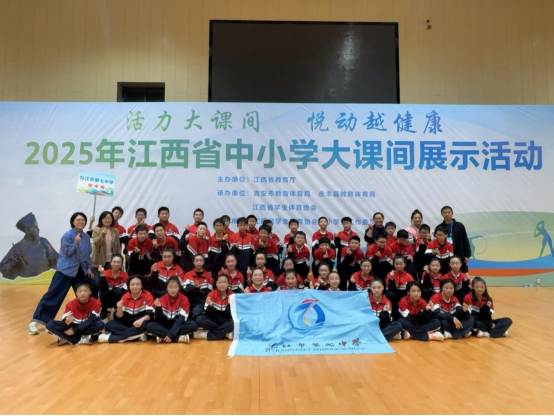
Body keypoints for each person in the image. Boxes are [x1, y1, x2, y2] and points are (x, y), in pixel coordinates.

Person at [28, 213, 97, 336]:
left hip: (81, 270)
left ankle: (89, 319)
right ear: (73, 222)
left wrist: (88, 268)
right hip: (66, 270)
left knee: (90, 290)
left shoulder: (86, 237)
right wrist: (76, 243)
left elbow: (87, 254)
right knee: (54, 294)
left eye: (83, 220)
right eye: (78, 220)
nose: (81, 222)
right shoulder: (67, 235)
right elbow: (68, 252)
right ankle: (36, 321)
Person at [0, 212, 59, 280]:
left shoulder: (43, 241)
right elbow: (2, 267)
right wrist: (12, 263)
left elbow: (56, 259)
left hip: (47, 277)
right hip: (25, 281)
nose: (38, 229)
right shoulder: (18, 247)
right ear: (27, 230)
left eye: (37, 227)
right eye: (35, 227)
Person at [99, 275, 155, 344]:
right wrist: (119, 309)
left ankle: (110, 338)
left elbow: (150, 315)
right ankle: (135, 335)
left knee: (146, 326)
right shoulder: (125, 296)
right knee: (109, 324)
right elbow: (119, 318)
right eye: (132, 285)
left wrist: (140, 320)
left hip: (141, 322)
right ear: (129, 286)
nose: (135, 287)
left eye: (138, 284)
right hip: (128, 323)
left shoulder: (147, 295)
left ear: (142, 285)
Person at [145, 277, 199, 344]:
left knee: (193, 325)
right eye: (170, 287)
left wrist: (171, 335)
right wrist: (158, 308)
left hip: (177, 324)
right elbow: (159, 319)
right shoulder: (161, 299)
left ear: (179, 288)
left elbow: (181, 320)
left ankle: (163, 336)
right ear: (167, 288)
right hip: (165, 324)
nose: (173, 290)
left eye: (175, 287)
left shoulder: (184, 299)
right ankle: (179, 338)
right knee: (149, 326)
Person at [194, 274, 234, 341]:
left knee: (233, 323)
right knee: (199, 319)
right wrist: (211, 307)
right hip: (214, 320)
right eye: (220, 282)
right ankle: (225, 333)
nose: (222, 284)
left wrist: (229, 305)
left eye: (224, 282)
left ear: (228, 284)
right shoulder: (211, 294)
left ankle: (209, 335)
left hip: (226, 321)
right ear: (216, 284)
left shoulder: (232, 295)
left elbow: (231, 315)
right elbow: (207, 313)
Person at [436, 206, 471, 273]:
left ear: (452, 213)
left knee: (461, 275)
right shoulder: (439, 227)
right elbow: (436, 242)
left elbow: (465, 239)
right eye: (444, 213)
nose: (447, 214)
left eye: (448, 212)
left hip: (459, 254)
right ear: (441, 214)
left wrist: (467, 255)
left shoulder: (460, 225)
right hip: (445, 256)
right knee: (446, 275)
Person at [91, 211, 121, 283]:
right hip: (98, 261)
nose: (107, 220)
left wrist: (119, 259)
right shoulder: (96, 230)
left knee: (109, 282)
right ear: (101, 219)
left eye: (109, 218)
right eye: (105, 218)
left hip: (111, 261)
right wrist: (102, 235)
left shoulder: (115, 231)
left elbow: (118, 246)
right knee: (97, 282)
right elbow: (96, 243)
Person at [182, 254, 214, 320]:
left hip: (201, 302)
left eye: (201, 261)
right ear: (193, 262)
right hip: (188, 300)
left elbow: (210, 293)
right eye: (196, 261)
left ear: (203, 262)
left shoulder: (208, 277)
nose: (199, 262)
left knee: (195, 313)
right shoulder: (188, 274)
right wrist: (194, 287)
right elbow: (184, 290)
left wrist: (199, 289)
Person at [98, 255, 128, 321]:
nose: (116, 264)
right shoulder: (105, 273)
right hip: (106, 298)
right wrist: (102, 275)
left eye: (118, 262)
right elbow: (102, 288)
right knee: (103, 293)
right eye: (114, 262)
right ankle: (104, 311)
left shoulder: (125, 276)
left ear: (121, 264)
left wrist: (112, 288)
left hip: (118, 299)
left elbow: (124, 292)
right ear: (110, 263)